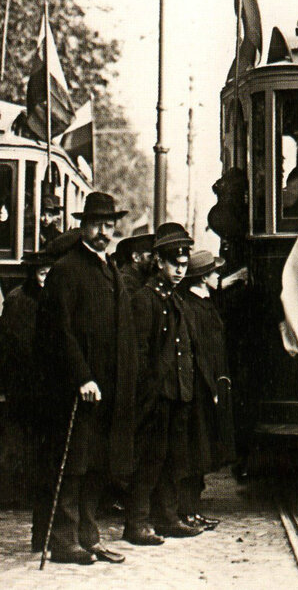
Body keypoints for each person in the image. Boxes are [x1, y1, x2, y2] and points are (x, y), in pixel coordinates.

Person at [34, 192, 136, 565]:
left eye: (109, 226)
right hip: (78, 389)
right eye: (96, 224)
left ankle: (88, 535)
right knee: (73, 465)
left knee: (97, 464)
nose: (103, 232)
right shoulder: (67, 269)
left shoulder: (109, 268)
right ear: (82, 226)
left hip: (108, 387)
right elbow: (58, 332)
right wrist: (81, 377)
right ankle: (63, 540)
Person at [124, 223, 203, 545]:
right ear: (159, 262)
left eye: (184, 265)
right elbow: (140, 353)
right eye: (175, 264)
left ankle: (167, 518)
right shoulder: (146, 299)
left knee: (172, 459)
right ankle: (136, 522)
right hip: (157, 396)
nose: (181, 271)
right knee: (149, 460)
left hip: (177, 392)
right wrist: (147, 392)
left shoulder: (175, 299)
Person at [0, 252, 53, 517]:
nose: (46, 279)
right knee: (19, 436)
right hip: (22, 378)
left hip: (38, 379)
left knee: (33, 437)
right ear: (32, 274)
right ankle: (10, 493)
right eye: (42, 274)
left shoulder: (46, 298)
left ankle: (24, 491)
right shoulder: (19, 299)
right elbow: (15, 342)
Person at [177, 249, 235, 531]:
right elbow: (198, 352)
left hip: (210, 386)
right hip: (200, 389)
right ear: (201, 278)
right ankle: (186, 510)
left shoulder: (205, 302)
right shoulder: (191, 307)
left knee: (203, 450)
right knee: (195, 450)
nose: (217, 276)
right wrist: (211, 387)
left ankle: (193, 509)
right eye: (213, 273)